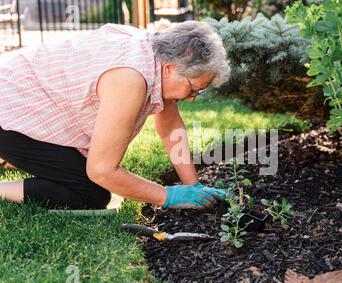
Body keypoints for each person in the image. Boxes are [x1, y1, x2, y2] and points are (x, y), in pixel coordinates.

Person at [0, 21, 230, 210]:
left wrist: (194, 186)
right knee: (91, 194)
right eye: (193, 89)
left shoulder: (153, 53)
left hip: (19, 99)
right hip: (9, 112)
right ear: (171, 68)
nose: (192, 98)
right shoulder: (130, 78)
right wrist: (167, 195)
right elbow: (102, 170)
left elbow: (170, 128)